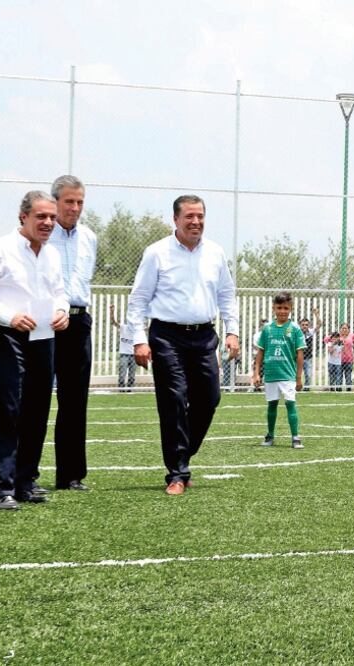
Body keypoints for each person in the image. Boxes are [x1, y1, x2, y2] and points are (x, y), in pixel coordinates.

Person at [125, 194, 240, 496]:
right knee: (174, 399)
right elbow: (138, 299)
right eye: (189, 216)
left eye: (200, 216)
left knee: (210, 398)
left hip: (204, 336)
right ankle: (177, 472)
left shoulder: (215, 253)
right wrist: (138, 339)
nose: (196, 222)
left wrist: (233, 332)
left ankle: (182, 455)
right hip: (166, 337)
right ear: (175, 219)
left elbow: (227, 295)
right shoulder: (157, 253)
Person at [0, 191, 69, 509]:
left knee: (37, 408)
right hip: (7, 335)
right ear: (23, 217)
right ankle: (3, 488)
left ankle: (26, 482)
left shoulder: (52, 255)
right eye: (41, 216)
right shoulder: (0, 249)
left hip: (43, 335)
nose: (48, 222)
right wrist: (9, 316)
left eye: (52, 217)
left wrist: (62, 311)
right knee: (6, 410)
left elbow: (59, 292)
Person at [47, 175, 97, 492]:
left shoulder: (89, 238)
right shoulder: (41, 234)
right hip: (46, 322)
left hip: (79, 323)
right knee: (33, 400)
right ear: (55, 202)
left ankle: (70, 475)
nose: (75, 208)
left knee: (75, 402)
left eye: (79, 202)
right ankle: (25, 476)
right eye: (69, 201)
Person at [252, 291, 306, 448]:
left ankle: (295, 437)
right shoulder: (267, 328)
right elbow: (260, 352)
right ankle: (270, 436)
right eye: (279, 307)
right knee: (272, 405)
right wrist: (256, 373)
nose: (282, 311)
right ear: (273, 308)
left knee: (290, 404)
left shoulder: (295, 329)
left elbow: (300, 354)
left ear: (291, 309)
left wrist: (298, 377)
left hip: (288, 374)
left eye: (286, 308)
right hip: (270, 374)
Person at [109, 303, 137, 392]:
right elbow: (113, 322)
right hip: (124, 354)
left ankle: (129, 391)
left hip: (133, 355)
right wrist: (112, 312)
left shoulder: (137, 330)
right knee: (122, 374)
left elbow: (147, 329)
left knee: (132, 376)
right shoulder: (123, 327)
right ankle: (121, 390)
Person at [299, 308, 320, 391]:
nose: (304, 326)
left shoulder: (310, 332)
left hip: (308, 358)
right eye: (303, 324)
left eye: (306, 325)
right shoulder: (297, 333)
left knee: (308, 374)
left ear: (309, 325)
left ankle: (306, 389)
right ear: (300, 325)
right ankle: (297, 387)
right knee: (297, 374)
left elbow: (319, 325)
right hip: (298, 358)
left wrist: (316, 315)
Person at [338, 323, 354, 390]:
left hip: (349, 360)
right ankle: (338, 389)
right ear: (340, 329)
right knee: (339, 376)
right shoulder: (337, 336)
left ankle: (349, 389)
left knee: (348, 376)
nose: (344, 330)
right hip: (338, 360)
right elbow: (326, 339)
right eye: (342, 328)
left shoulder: (351, 336)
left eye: (345, 328)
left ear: (349, 329)